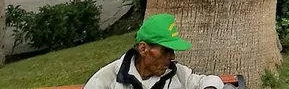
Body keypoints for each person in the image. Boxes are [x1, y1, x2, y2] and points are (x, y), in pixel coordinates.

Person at [84, 14, 224, 89]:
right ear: (143, 49)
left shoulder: (178, 74)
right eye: (166, 51)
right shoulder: (105, 80)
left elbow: (209, 81)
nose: (172, 57)